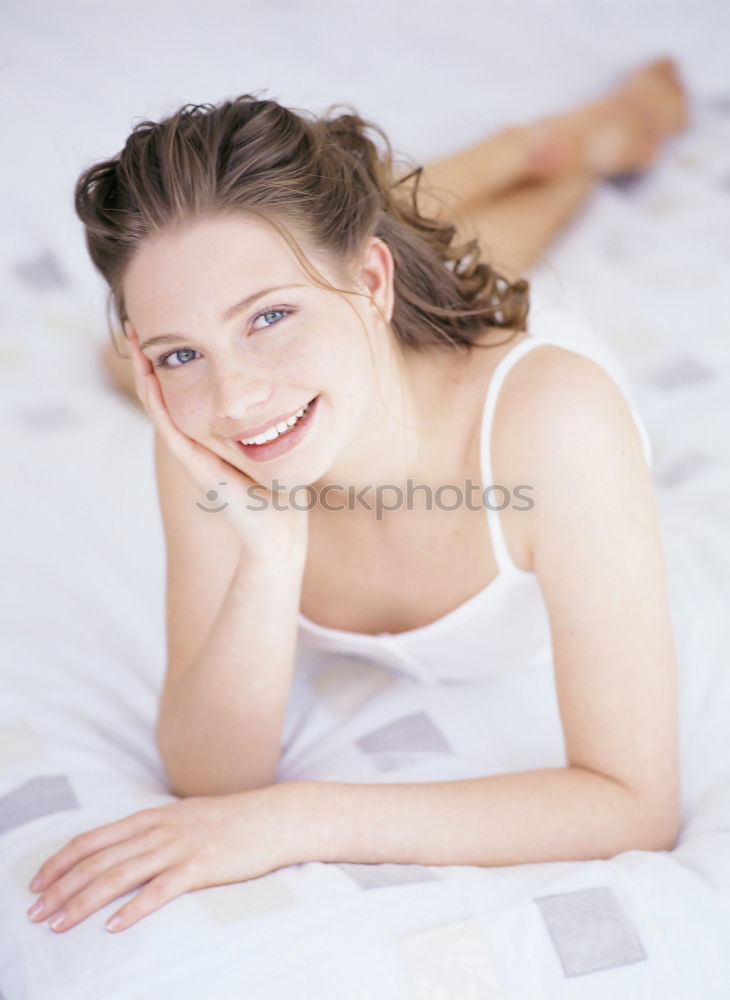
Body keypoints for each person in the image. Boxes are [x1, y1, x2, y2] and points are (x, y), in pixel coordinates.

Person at [27, 58, 689, 937]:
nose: (234, 402)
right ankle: (558, 148)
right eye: (182, 354)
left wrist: (299, 817)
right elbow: (209, 776)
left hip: (465, 381)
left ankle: (536, 151)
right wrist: (269, 556)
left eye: (270, 318)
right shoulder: (199, 429)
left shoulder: (557, 427)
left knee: (464, 258)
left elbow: (633, 802)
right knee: (126, 362)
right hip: (366, 340)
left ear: (371, 283)